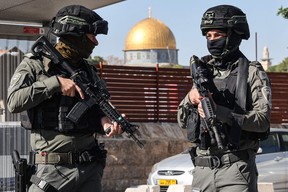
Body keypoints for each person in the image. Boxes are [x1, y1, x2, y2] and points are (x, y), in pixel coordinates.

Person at [7, 5, 123, 192]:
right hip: (52, 171)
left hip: (89, 168)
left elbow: (96, 109)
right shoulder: (36, 64)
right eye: (92, 37)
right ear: (76, 34)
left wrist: (106, 123)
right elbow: (13, 101)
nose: (96, 43)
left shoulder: (88, 71)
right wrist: (55, 84)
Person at [177, 5, 271, 192]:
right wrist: (190, 98)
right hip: (202, 169)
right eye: (208, 36)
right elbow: (181, 120)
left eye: (217, 35)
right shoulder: (204, 72)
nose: (212, 41)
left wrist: (222, 113)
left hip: (235, 169)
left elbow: (262, 121)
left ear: (234, 35)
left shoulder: (252, 72)